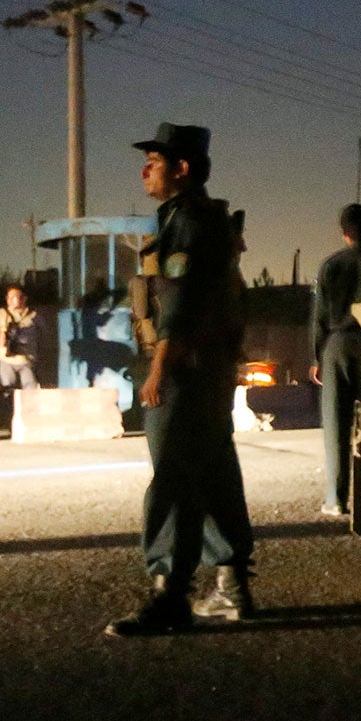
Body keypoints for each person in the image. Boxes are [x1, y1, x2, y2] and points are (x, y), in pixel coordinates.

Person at [107, 122, 258, 637]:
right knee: (214, 471)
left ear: (183, 168)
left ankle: (170, 595)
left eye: (155, 159)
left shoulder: (188, 221)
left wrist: (158, 370)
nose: (145, 168)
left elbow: (181, 303)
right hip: (208, 368)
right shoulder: (196, 218)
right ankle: (232, 590)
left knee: (171, 477)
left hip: (184, 370)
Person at [310, 202, 361, 517]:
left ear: (343, 233)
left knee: (336, 426)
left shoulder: (330, 265)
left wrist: (317, 355)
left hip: (336, 345)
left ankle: (336, 498)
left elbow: (319, 314)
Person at [0, 283, 42, 420]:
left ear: (24, 298)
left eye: (17, 297)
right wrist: (2, 339)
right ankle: (8, 419)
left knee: (31, 390)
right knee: (7, 390)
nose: (14, 300)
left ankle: (32, 418)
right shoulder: (2, 314)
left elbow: (44, 333)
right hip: (7, 359)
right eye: (10, 297)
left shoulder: (34, 315)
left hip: (27, 359)